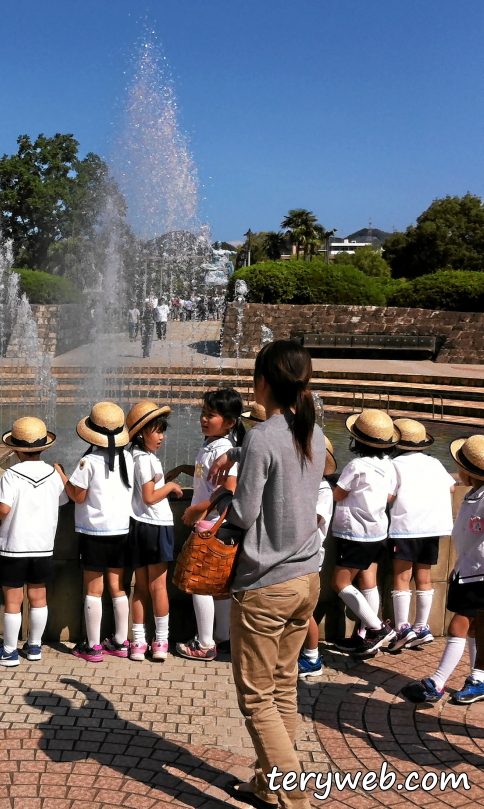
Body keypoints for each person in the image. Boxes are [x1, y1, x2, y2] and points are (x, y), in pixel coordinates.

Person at [208, 339, 327, 809]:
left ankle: (295, 800)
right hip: (306, 578)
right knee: (282, 688)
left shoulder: (262, 436)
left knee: (257, 699)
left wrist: (219, 506)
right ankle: (266, 784)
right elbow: (282, 468)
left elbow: (244, 511)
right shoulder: (312, 431)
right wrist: (236, 455)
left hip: (266, 585)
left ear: (263, 381)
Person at [401, 435, 484, 704]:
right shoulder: (475, 494)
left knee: (460, 624)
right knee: (474, 629)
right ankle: (478, 678)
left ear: (469, 471)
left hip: (479, 574)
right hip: (468, 569)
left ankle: (436, 682)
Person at [0, 417, 67, 667]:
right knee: (39, 597)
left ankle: (8, 651)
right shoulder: (53, 474)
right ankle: (34, 646)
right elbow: (61, 502)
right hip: (43, 545)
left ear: (16, 449)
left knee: (13, 600)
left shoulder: (11, 474)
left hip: (14, 546)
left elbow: (4, 507)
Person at [166, 388, 244, 660]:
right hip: (214, 524)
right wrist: (183, 469)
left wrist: (196, 510)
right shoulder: (213, 445)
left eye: (211, 415)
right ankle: (223, 638)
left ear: (230, 422)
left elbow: (228, 489)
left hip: (211, 524)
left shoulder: (224, 448)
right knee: (217, 587)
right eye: (203, 413)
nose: (203, 419)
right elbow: (208, 476)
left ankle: (205, 643)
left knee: (199, 584)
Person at [55, 402, 133, 662]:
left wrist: (62, 476)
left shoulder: (88, 461)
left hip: (93, 532)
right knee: (117, 586)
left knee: (94, 589)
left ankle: (93, 645)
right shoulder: (128, 458)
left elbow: (77, 495)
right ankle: (121, 641)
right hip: (121, 530)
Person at [331, 409, 399, 657]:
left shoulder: (356, 465)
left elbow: (338, 494)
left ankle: (378, 628)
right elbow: (390, 496)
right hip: (378, 532)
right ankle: (367, 638)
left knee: (339, 583)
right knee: (368, 582)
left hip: (355, 533)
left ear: (357, 439)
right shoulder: (389, 464)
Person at [387, 419, 456, 651]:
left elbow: (389, 494)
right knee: (424, 578)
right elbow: (452, 487)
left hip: (406, 526)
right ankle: (421, 627)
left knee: (402, 577)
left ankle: (402, 629)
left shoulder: (394, 464)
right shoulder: (434, 462)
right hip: (433, 527)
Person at [126, 401, 183, 661]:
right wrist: (170, 487)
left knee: (139, 587)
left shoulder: (130, 456)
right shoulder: (147, 460)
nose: (161, 437)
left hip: (137, 525)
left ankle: (138, 642)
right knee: (158, 587)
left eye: (162, 431)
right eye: (156, 431)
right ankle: (160, 642)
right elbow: (149, 497)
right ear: (141, 433)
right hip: (157, 526)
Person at [297, 438, 337, 678]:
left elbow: (312, 521)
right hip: (295, 555)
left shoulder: (322, 490)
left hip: (309, 556)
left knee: (305, 609)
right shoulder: (302, 485)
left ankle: (313, 657)